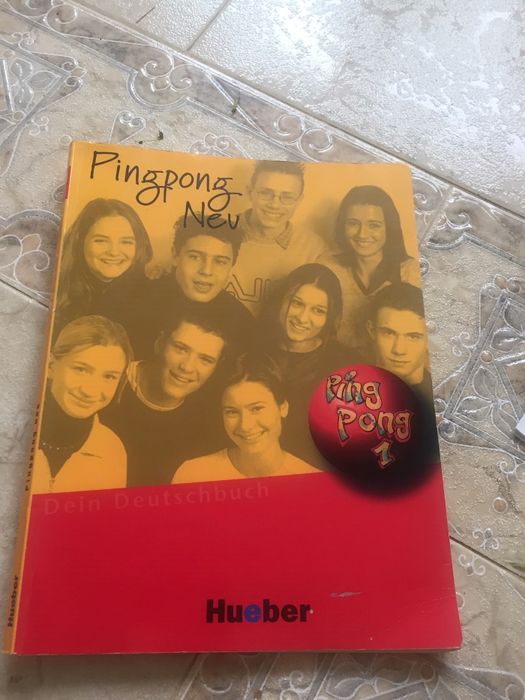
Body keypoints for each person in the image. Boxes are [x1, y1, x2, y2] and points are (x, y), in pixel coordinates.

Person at [102, 305, 229, 487]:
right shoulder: (107, 385)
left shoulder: (206, 426)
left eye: (205, 360)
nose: (187, 367)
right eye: (181, 349)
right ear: (160, 343)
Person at [257, 263, 354, 466]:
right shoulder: (254, 351)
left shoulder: (346, 366)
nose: (302, 318)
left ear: (330, 317)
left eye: (318, 310)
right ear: (281, 301)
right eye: (296, 303)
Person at [173, 353, 319, 483]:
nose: (245, 425)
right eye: (232, 412)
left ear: (283, 408)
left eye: (257, 408)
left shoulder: (314, 482)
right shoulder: (193, 474)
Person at [33, 315, 132, 494]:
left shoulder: (112, 450)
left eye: (109, 377)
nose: (90, 391)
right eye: (81, 369)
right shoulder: (12, 428)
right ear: (51, 366)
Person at [323, 185, 421, 348]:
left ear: (389, 228)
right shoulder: (328, 267)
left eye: (374, 225)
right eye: (353, 223)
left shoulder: (413, 273)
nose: (362, 234)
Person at [144, 215, 255, 358]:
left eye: (220, 262)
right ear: (175, 255)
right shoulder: (140, 300)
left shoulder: (242, 322)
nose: (206, 271)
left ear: (232, 265)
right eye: (195, 257)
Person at [227, 161, 326, 315]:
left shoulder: (313, 248)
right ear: (250, 192)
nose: (274, 205)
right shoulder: (217, 231)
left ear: (299, 200)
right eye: (265, 193)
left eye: (287, 197)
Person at [55, 198, 154, 352]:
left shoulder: (151, 298)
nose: (114, 252)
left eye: (126, 242)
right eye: (101, 241)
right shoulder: (59, 289)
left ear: (138, 246)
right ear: (80, 241)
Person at [367, 282, 431, 396]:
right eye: (389, 333)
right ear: (371, 330)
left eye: (413, 337)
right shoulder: (349, 391)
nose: (399, 350)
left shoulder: (448, 396)